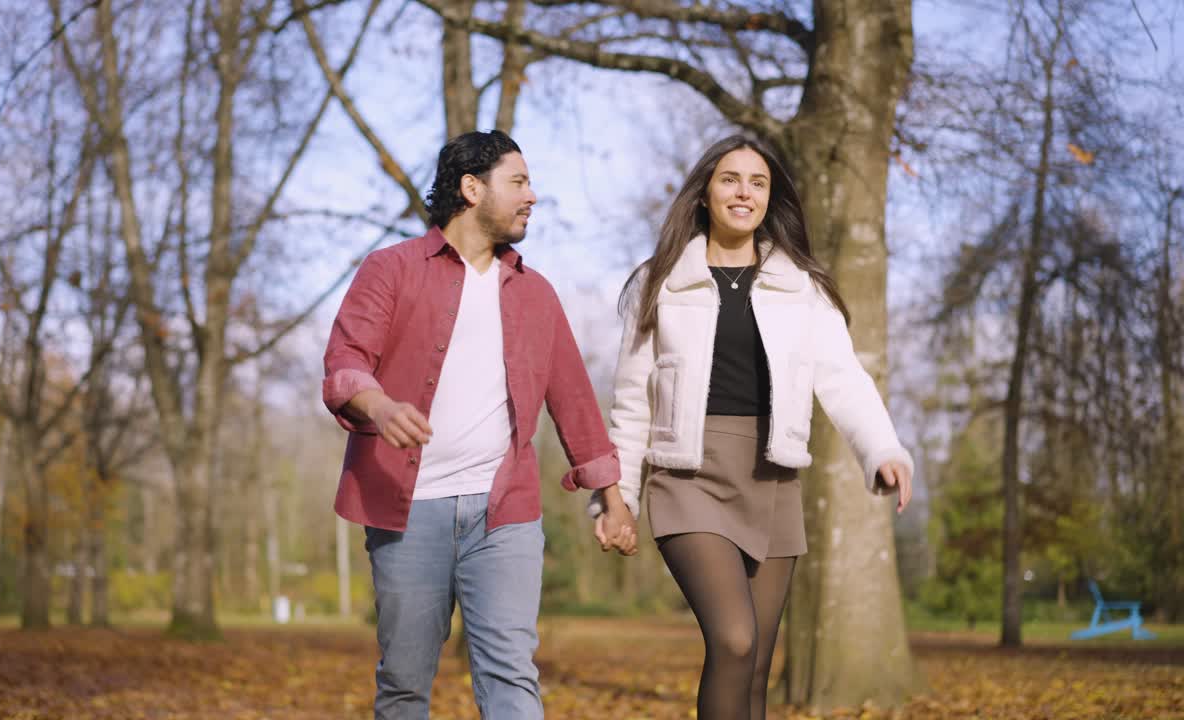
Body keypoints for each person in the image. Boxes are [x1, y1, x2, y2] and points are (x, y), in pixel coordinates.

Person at [591, 134, 914, 720]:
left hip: (772, 479)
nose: (744, 192)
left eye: (758, 182)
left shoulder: (801, 285)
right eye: (730, 179)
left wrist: (883, 450)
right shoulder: (660, 280)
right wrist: (620, 500)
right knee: (735, 640)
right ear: (704, 194)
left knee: (757, 664)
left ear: (770, 198)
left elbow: (842, 376)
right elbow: (633, 400)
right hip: (689, 478)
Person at [321, 129, 636, 720]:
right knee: (405, 683)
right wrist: (381, 407)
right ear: (472, 188)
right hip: (407, 508)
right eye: (518, 182)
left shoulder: (535, 294)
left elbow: (574, 400)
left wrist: (612, 498)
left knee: (511, 672)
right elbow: (344, 364)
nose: (532, 196)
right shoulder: (391, 270)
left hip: (505, 512)